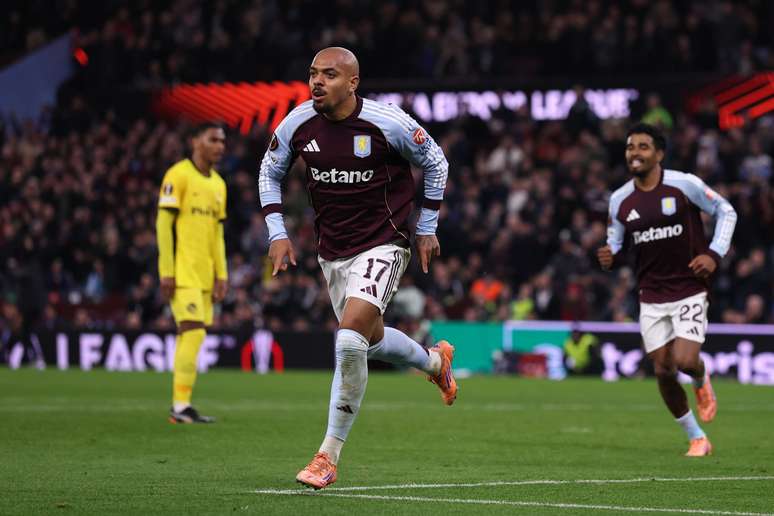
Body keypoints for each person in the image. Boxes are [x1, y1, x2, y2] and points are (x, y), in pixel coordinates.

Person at [258, 47, 457, 489]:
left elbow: (435, 161)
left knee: (349, 341)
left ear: (352, 82)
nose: (317, 82)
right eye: (312, 74)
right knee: (371, 340)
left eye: (329, 75)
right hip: (333, 251)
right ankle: (433, 361)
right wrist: (276, 232)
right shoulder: (296, 124)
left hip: (385, 243)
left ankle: (327, 456)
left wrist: (426, 226)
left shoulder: (388, 122)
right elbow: (268, 172)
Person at [597, 123, 737, 457]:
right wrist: (610, 256)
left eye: (644, 147)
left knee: (686, 361)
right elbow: (615, 243)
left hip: (689, 286)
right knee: (662, 369)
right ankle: (697, 438)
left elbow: (726, 210)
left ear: (659, 153)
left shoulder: (683, 184)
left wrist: (714, 254)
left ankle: (701, 380)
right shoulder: (619, 200)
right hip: (651, 293)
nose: (635, 153)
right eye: (631, 147)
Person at [156, 122, 228, 424]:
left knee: (193, 334)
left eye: (222, 141)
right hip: (183, 272)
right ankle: (180, 406)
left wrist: (222, 274)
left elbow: (217, 235)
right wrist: (167, 270)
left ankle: (181, 406)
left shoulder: (219, 184)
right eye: (213, 139)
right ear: (195, 141)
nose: (220, 146)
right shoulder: (178, 175)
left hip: (205, 275)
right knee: (193, 331)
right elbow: (163, 225)